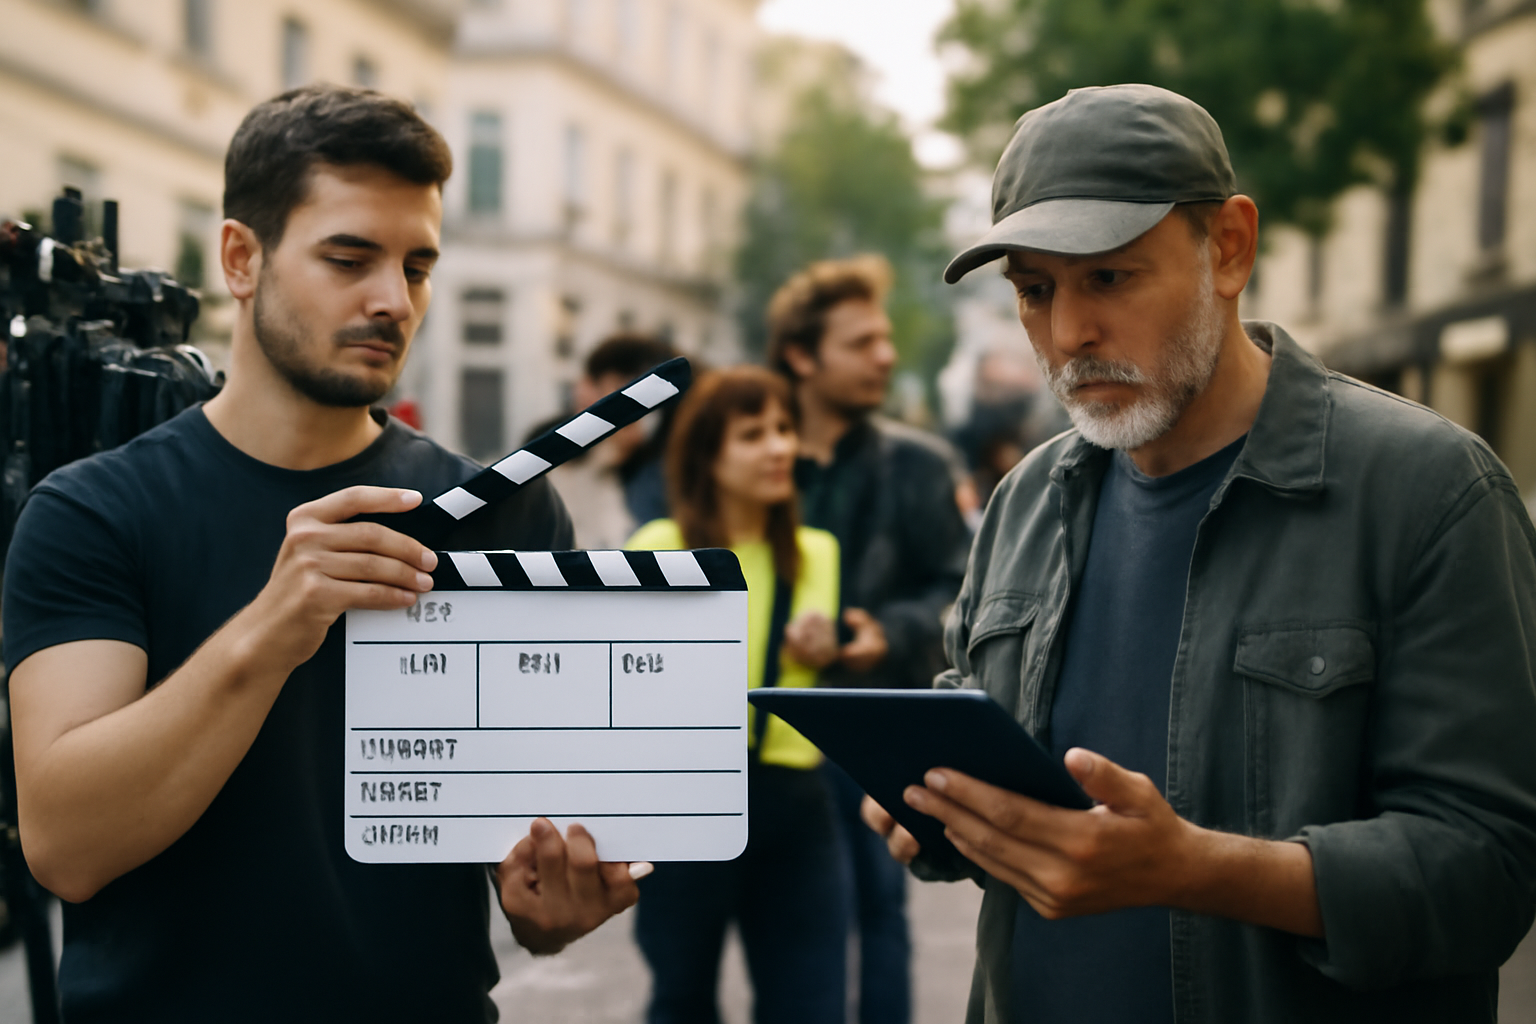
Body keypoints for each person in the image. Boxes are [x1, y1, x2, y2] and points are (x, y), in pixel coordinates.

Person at [862, 83, 1536, 1023]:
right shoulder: (1025, 500)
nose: (1067, 335)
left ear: (1228, 248)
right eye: (1034, 290)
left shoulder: (1429, 491)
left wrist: (1196, 870)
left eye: (1109, 277)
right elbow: (1003, 770)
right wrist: (941, 815)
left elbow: (1490, 873)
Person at [1, 85, 640, 1023]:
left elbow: (535, 842)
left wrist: (552, 896)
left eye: (418, 267)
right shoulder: (91, 512)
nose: (392, 300)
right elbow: (66, 845)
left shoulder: (504, 513)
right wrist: (273, 624)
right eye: (349, 258)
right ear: (240, 259)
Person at [768, 254, 971, 1024]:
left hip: (875, 727)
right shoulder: (752, 453)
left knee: (881, 914)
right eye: (861, 342)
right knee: (781, 926)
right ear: (800, 355)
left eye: (885, 340)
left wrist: (883, 632)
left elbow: (961, 593)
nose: (886, 356)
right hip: (762, 735)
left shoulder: (919, 464)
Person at [627, 365, 847, 1024]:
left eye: (784, 429)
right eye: (754, 434)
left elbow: (821, 676)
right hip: (686, 802)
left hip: (795, 802)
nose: (780, 447)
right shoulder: (655, 550)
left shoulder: (817, 553)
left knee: (809, 1002)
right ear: (707, 454)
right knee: (682, 998)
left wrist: (826, 649)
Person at [545, 332, 675, 548]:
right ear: (586, 389)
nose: (637, 408)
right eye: (620, 387)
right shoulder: (558, 467)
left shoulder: (661, 474)